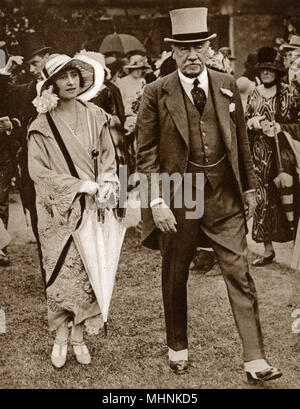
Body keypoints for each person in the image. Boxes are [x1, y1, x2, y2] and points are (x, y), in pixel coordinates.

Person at [136, 7, 282, 382]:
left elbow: (243, 146)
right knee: (175, 273)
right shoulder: (155, 92)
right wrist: (156, 202)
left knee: (239, 272)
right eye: (183, 49)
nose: (192, 55)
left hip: (225, 195)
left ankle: (255, 360)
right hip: (179, 193)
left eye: (198, 46)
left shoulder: (227, 83)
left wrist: (249, 187)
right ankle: (178, 348)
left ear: (208, 47)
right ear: (172, 52)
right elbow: (146, 154)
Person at [27, 54, 119, 368]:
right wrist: (79, 186)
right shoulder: (41, 125)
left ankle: (78, 335)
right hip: (58, 213)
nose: (70, 82)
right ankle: (60, 337)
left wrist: (106, 181)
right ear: (50, 84)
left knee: (89, 271)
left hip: (92, 209)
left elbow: (108, 157)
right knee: (61, 274)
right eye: (62, 78)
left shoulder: (96, 115)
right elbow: (38, 172)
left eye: (75, 76)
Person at [2, 33, 52, 285]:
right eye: (28, 65)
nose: (32, 69)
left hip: (61, 167)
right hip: (32, 168)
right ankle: (49, 275)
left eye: (35, 63)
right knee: (37, 217)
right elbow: (11, 106)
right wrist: (4, 71)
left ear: (47, 58)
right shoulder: (27, 90)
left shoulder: (67, 84)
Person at [245, 47, 300, 266]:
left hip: (284, 155)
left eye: (271, 70)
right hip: (259, 155)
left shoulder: (290, 93)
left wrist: (282, 127)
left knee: (289, 198)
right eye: (263, 69)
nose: (266, 73)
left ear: (277, 72)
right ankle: (268, 250)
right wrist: (253, 123)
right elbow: (246, 119)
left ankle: (295, 249)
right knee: (262, 200)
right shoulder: (254, 92)